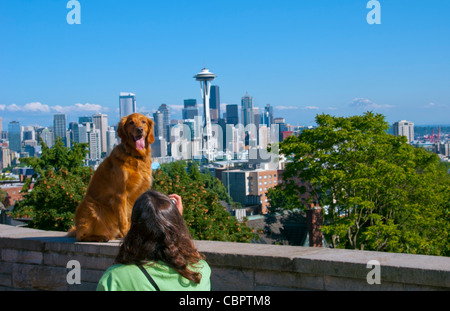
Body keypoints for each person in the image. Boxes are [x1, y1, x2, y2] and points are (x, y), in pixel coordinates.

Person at [96, 190, 211, 291]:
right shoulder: (200, 272)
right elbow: (191, 254)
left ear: (135, 229)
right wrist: (177, 221)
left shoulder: (115, 279)